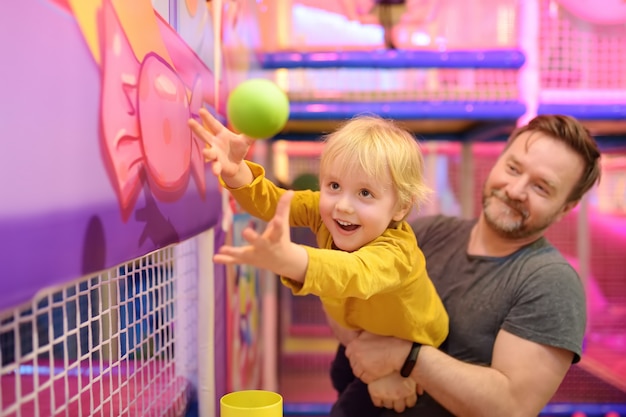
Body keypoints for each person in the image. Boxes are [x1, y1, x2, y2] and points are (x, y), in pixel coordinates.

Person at [330, 114, 602, 416]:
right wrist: (378, 369)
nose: (515, 190)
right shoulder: (427, 234)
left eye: (541, 187)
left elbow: (512, 407)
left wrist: (406, 357)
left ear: (565, 208)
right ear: (498, 161)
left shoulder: (550, 283)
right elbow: (342, 292)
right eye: (513, 168)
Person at [188, 109, 449, 416]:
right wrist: (236, 172)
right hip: (364, 330)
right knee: (340, 374)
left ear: (400, 207)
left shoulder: (397, 253)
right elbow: (274, 202)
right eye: (334, 186)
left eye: (365, 193)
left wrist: (293, 260)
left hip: (417, 347)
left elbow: (353, 272)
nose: (343, 205)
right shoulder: (323, 212)